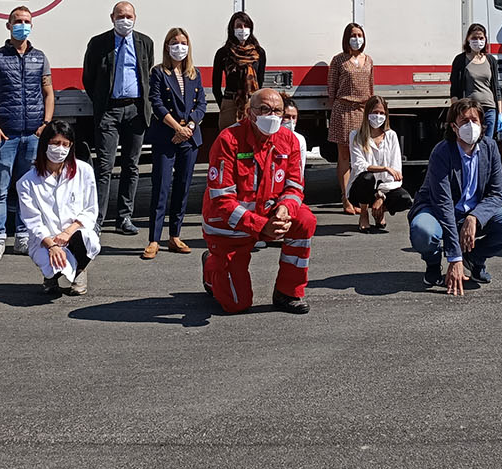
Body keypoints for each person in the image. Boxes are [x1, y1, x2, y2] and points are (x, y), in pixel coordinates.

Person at [201, 88, 315, 314]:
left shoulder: (289, 140)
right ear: (248, 112)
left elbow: (294, 186)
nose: (271, 115)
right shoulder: (228, 140)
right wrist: (262, 226)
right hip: (230, 228)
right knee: (236, 304)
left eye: (277, 111)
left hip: (268, 217)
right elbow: (222, 201)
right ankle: (212, 267)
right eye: (264, 109)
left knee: (304, 220)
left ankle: (288, 292)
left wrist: (284, 209)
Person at [408, 98, 502, 294]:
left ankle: (475, 258)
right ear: (454, 127)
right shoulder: (442, 152)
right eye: (464, 121)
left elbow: (497, 193)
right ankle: (432, 265)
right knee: (423, 231)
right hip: (438, 211)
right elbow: (443, 203)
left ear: (482, 125)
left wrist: (475, 217)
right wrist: (454, 258)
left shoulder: (490, 148)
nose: (470, 126)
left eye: (475, 120)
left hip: (472, 212)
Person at [0, 6, 54, 261]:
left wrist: (45, 123)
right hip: (4, 135)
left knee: (27, 189)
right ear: (8, 25)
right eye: (18, 21)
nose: (23, 25)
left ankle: (23, 237)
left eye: (27, 21)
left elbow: (48, 93)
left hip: (32, 135)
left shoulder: (40, 57)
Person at [82, 1, 154, 235]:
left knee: (131, 166)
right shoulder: (98, 43)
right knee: (104, 167)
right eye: (121, 16)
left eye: (129, 16)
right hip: (109, 111)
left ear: (136, 17)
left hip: (135, 111)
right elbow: (89, 78)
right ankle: (98, 220)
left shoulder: (145, 43)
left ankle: (124, 217)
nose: (125, 20)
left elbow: (147, 74)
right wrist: (102, 101)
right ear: (112, 17)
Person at [16, 120, 100, 295]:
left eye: (65, 144)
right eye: (55, 143)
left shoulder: (84, 171)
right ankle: (51, 277)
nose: (60, 148)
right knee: (51, 262)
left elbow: (90, 210)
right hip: (46, 239)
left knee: (87, 239)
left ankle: (80, 271)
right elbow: (32, 220)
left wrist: (68, 232)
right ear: (45, 143)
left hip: (74, 233)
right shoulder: (26, 182)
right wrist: (52, 245)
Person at [143, 27, 207, 259]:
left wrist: (189, 127)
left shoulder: (194, 73)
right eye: (174, 42)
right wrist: (177, 127)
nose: (179, 47)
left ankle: (175, 236)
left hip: (189, 138)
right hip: (166, 135)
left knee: (183, 186)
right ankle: (153, 239)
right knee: (161, 186)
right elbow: (157, 102)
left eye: (183, 42)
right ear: (167, 46)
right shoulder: (158, 72)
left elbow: (201, 104)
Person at [327, 23, 374, 215]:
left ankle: (362, 197)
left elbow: (371, 88)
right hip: (344, 111)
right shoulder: (338, 60)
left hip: (363, 112)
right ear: (347, 38)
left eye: (360, 35)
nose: (357, 38)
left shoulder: (369, 60)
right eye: (353, 35)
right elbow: (331, 87)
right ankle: (346, 198)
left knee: (362, 157)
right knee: (345, 156)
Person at [347, 96, 413, 232]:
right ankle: (364, 212)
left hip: (385, 188)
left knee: (405, 199)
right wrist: (384, 168)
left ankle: (380, 210)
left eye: (382, 113)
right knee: (367, 177)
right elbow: (358, 165)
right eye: (375, 112)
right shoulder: (355, 135)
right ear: (367, 114)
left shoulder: (391, 136)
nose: (378, 116)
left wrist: (380, 195)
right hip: (361, 188)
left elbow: (396, 172)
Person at [212, 11, 266, 132]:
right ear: (232, 29)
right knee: (229, 142)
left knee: (251, 140)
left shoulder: (259, 53)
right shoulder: (223, 53)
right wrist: (224, 105)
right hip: (230, 102)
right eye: (238, 26)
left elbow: (260, 82)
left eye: (246, 26)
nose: (243, 29)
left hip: (251, 103)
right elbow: (216, 85)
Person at [451, 23, 502, 138]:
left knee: (487, 143)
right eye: (474, 38)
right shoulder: (460, 60)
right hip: (470, 110)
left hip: (489, 109)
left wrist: (500, 113)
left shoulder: (490, 60)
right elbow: (454, 89)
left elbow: (496, 88)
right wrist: (456, 113)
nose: (478, 41)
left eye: (481, 38)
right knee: (471, 141)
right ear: (468, 39)